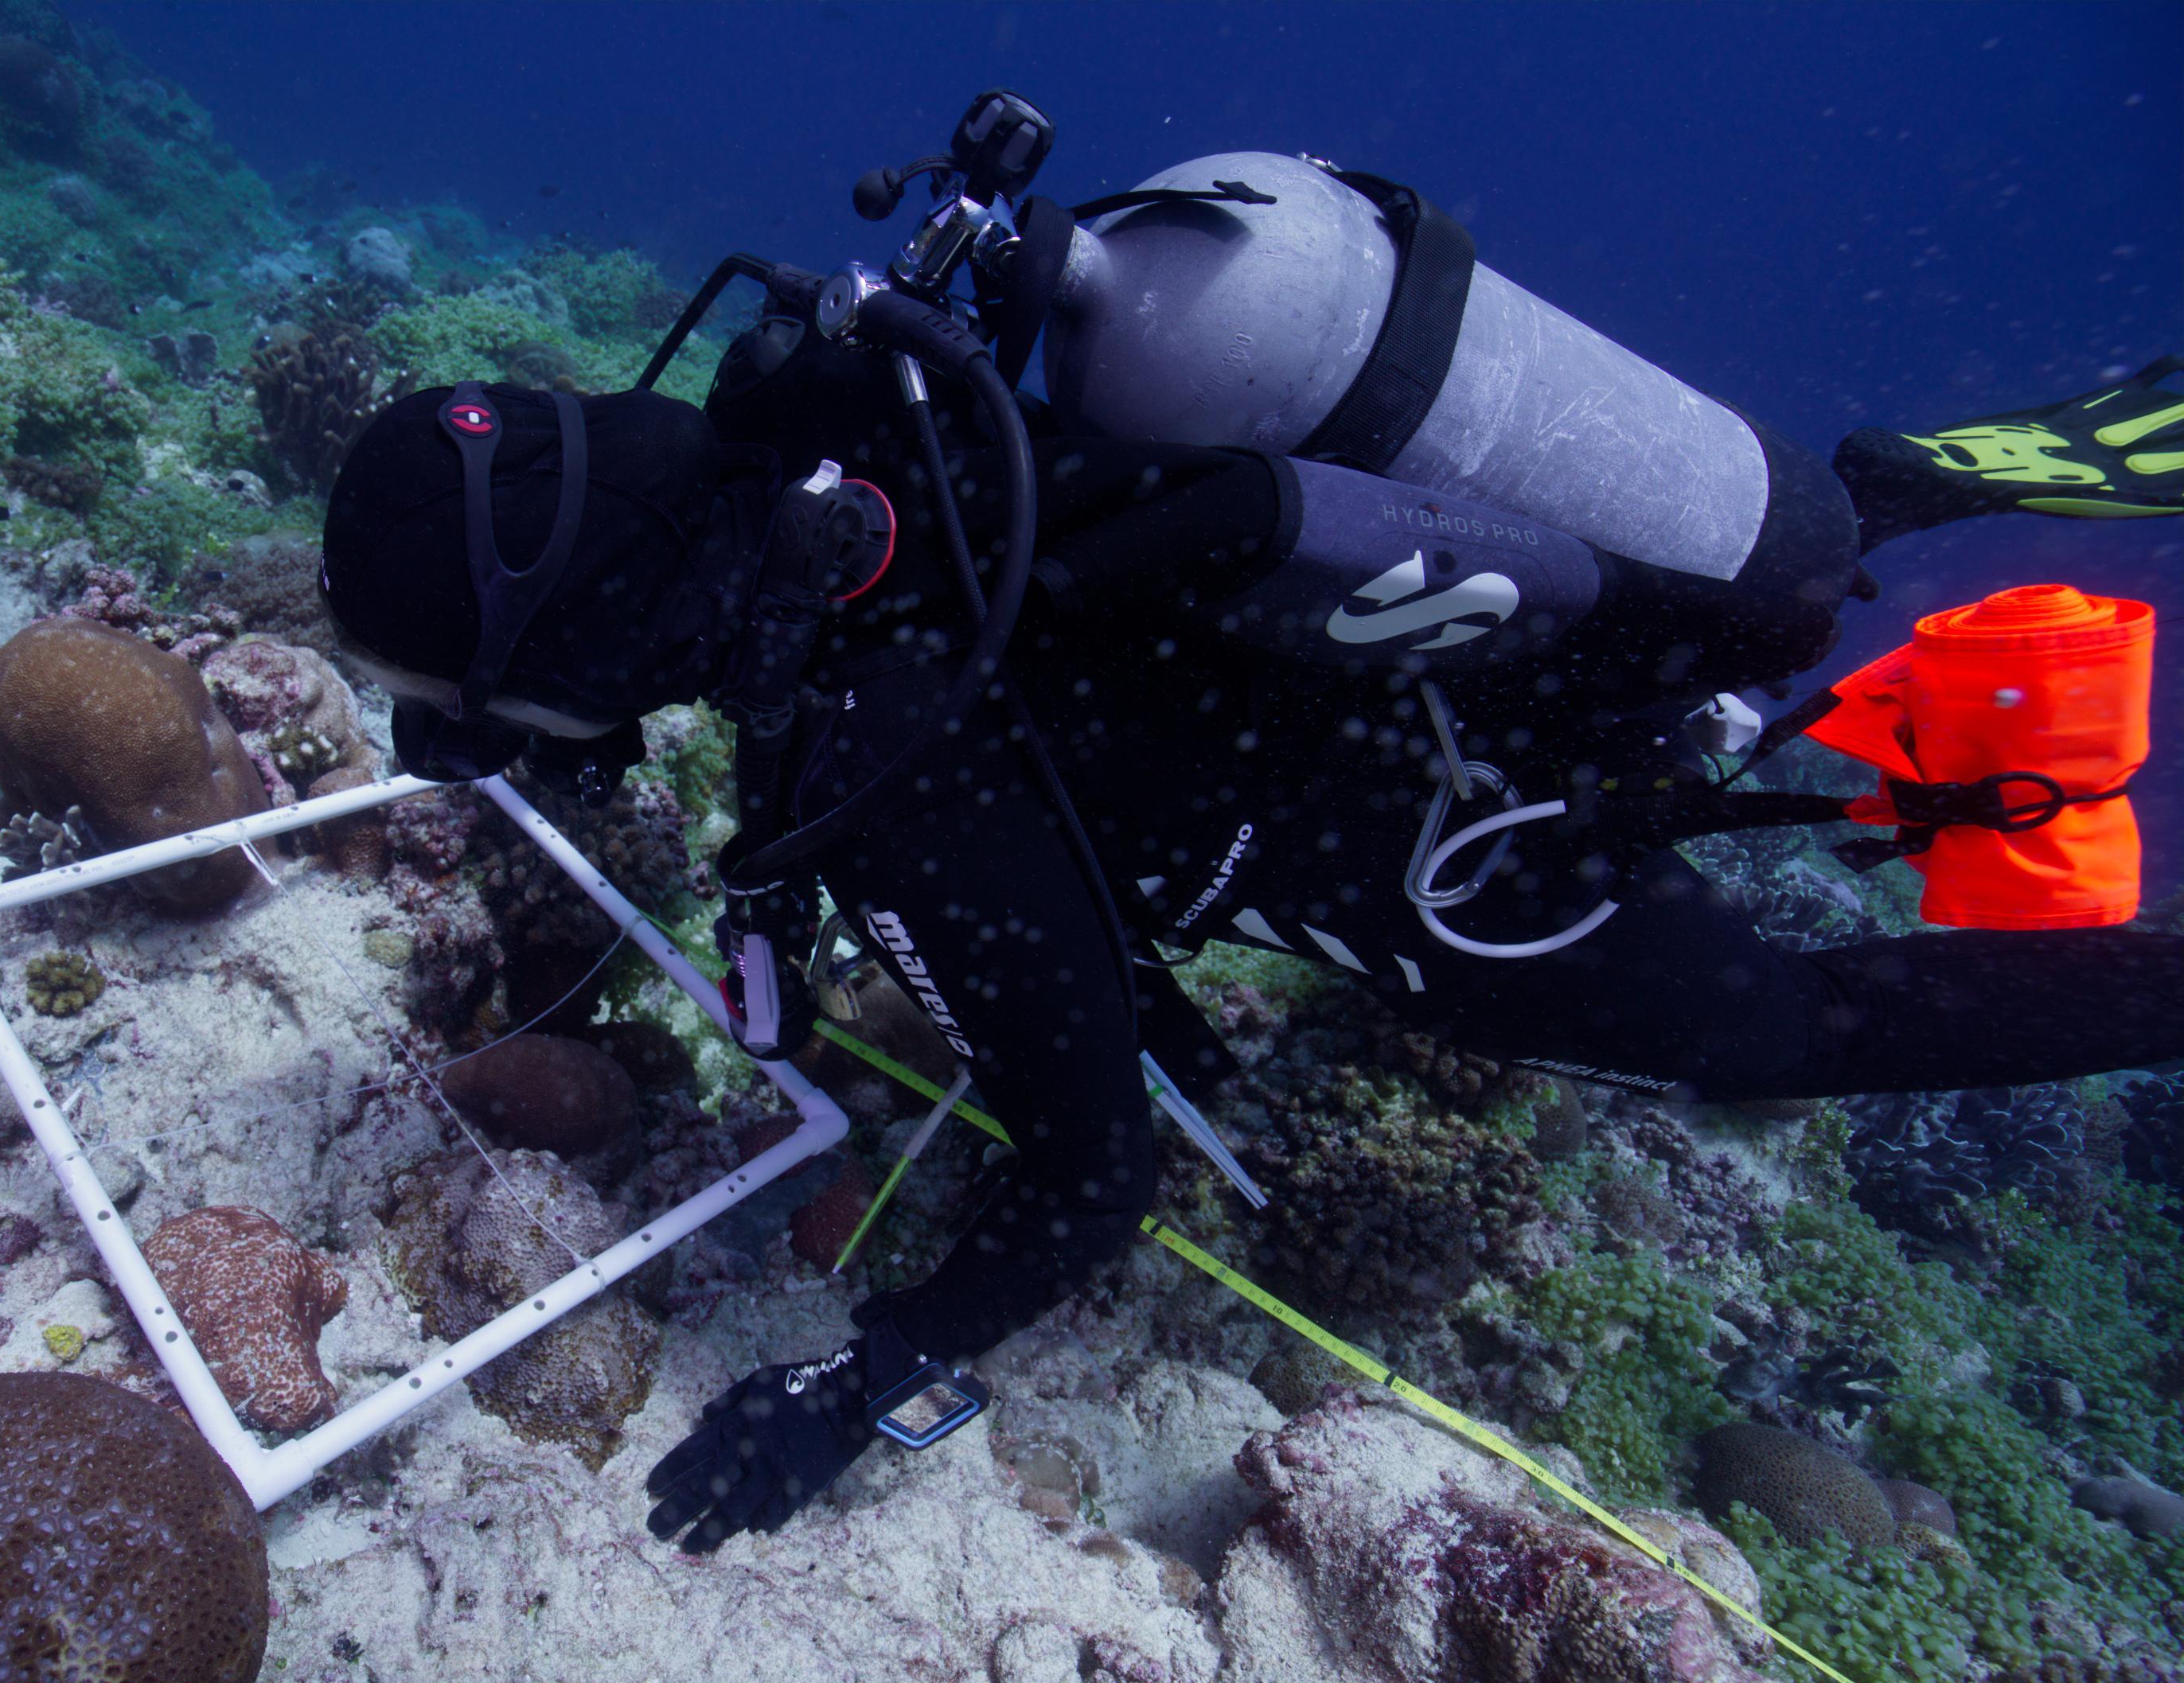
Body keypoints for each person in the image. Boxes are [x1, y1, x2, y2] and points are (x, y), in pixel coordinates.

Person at [316, 220, 2184, 1553]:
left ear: (577, 641)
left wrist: (864, 1385)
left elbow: (1091, 1182)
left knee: (1783, 1027)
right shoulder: (833, 409)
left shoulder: (899, 780)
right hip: (1433, 613)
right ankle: (1843, 516)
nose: (480, 749)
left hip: (1437, 816)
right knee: (1704, 618)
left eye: (479, 705)